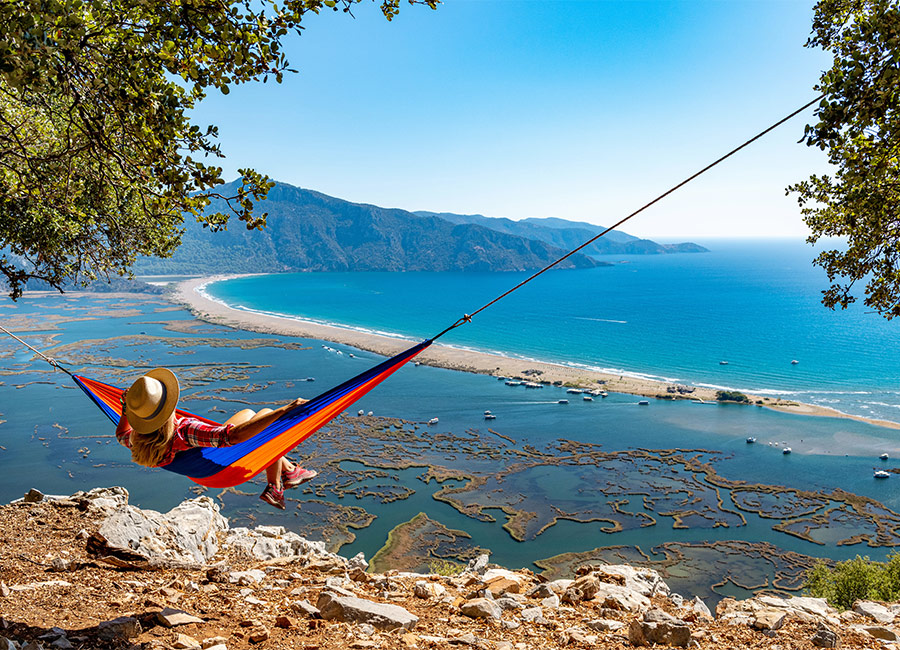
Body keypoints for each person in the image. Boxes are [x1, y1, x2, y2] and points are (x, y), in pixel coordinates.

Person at [115, 368, 316, 510]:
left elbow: (121, 435)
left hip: (201, 473)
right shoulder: (184, 432)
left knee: (248, 412)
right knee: (267, 416)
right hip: (221, 469)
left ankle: (289, 471)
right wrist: (285, 410)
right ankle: (276, 486)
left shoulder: (138, 439)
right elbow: (232, 437)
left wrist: (126, 410)